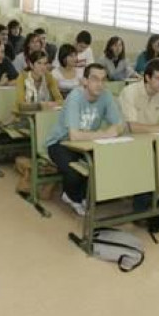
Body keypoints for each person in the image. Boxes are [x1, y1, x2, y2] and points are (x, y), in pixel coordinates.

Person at [45, 63, 123, 217]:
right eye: (95, 79)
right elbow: (74, 136)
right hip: (60, 143)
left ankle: (83, 195)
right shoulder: (75, 97)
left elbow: (119, 124)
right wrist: (105, 134)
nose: (99, 84)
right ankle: (71, 196)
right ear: (85, 81)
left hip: (87, 144)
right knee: (75, 172)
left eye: (103, 80)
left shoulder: (106, 96)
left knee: (106, 163)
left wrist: (114, 130)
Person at [121, 58, 159, 213]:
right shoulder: (130, 92)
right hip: (126, 141)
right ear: (147, 78)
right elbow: (133, 128)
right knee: (147, 158)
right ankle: (141, 209)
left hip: (151, 139)